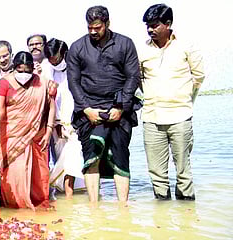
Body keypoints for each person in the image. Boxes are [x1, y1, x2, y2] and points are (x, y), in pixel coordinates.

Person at [67, 5, 141, 204]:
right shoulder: (77, 47)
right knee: (92, 157)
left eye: (97, 27)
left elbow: (133, 76)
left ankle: (124, 207)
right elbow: (73, 82)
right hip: (89, 110)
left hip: (119, 109)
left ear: (107, 23)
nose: (93, 31)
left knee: (120, 157)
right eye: (90, 27)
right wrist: (87, 109)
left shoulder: (125, 44)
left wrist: (121, 107)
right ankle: (94, 207)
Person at [140, 4, 204, 200]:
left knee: (183, 172)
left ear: (168, 24)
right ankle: (162, 216)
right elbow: (138, 79)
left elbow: (198, 77)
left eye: (155, 25)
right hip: (152, 117)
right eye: (148, 26)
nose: (150, 29)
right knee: (157, 175)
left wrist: (184, 99)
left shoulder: (186, 46)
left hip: (181, 117)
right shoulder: (142, 50)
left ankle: (187, 217)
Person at [0, 51, 56, 210]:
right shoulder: (2, 84)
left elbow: (51, 107)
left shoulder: (44, 83)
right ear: (14, 68)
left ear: (33, 68)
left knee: (38, 182)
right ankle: (16, 212)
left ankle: (37, 215)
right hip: (11, 138)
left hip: (37, 138)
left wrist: (49, 130)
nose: (24, 74)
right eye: (20, 70)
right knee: (14, 180)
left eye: (27, 71)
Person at [44, 38, 85, 198]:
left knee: (73, 161)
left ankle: (71, 196)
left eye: (57, 59)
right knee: (60, 161)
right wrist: (55, 124)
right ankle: (64, 198)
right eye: (51, 60)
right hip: (57, 125)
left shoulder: (77, 67)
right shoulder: (47, 69)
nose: (55, 63)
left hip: (77, 123)